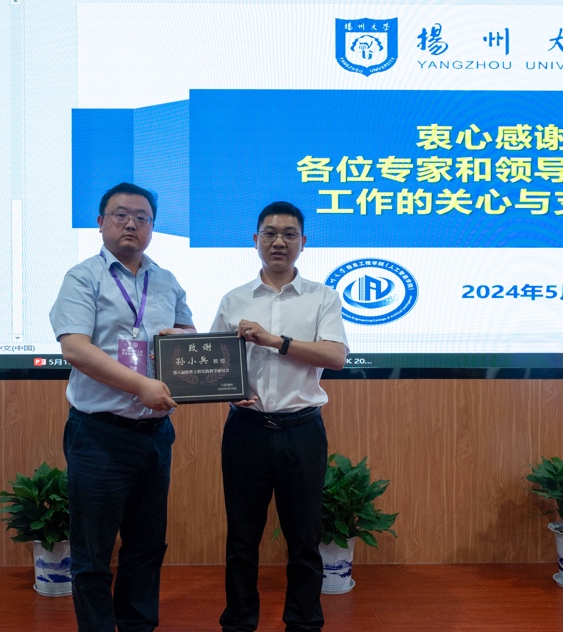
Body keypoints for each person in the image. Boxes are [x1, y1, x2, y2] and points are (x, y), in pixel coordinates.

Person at [49, 182, 196, 632]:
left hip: (155, 436)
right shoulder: (83, 278)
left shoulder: (166, 280)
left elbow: (190, 336)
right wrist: (140, 385)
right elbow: (75, 348)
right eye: (120, 215)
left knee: (146, 547)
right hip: (100, 435)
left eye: (142, 217)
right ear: (100, 222)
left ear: (152, 226)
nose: (131, 224)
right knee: (93, 554)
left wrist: (183, 341)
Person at [210, 201, 349, 632]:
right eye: (269, 233)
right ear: (255, 240)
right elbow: (214, 362)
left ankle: (304, 623)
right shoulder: (234, 300)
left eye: (289, 234)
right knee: (241, 539)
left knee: (304, 539)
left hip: (301, 430)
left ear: (303, 242)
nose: (279, 241)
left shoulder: (322, 297)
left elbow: (336, 356)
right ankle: (239, 622)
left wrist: (275, 341)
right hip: (246, 431)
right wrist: (232, 387)